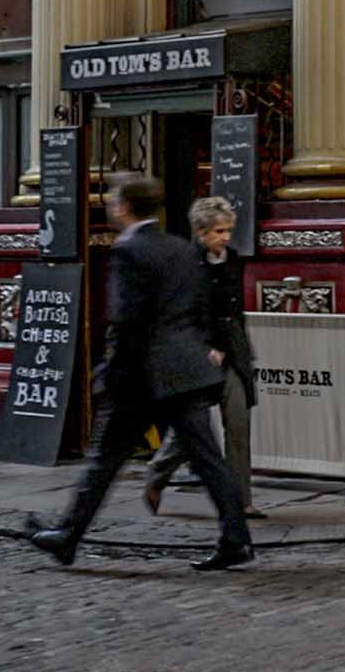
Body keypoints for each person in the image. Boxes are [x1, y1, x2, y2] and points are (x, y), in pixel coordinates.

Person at [27, 176, 253, 570]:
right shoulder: (182, 249)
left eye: (115, 201)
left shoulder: (129, 250)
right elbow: (201, 308)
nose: (113, 207)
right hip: (187, 370)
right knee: (208, 460)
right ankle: (236, 539)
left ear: (125, 207)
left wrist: (110, 373)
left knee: (104, 460)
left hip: (142, 375)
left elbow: (127, 321)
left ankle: (68, 535)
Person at [144, 196, 260, 519]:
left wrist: (238, 350)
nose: (225, 237)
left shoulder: (234, 260)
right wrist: (202, 347)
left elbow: (233, 312)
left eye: (227, 230)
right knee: (191, 433)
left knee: (238, 422)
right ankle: (157, 473)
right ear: (200, 232)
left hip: (232, 355)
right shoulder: (184, 263)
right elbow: (179, 313)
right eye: (218, 231)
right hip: (199, 356)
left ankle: (241, 501)